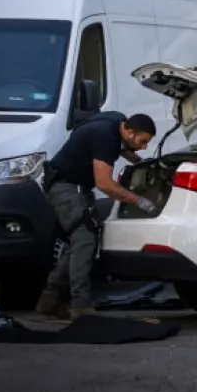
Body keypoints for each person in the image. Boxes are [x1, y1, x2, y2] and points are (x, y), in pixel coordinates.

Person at [34, 111, 160, 320]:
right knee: (85, 240)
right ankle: (80, 307)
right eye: (142, 141)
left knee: (79, 242)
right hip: (66, 187)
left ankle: (50, 297)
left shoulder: (116, 121)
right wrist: (139, 200)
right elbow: (105, 184)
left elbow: (121, 149)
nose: (144, 146)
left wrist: (140, 162)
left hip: (72, 185)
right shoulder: (105, 137)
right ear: (128, 131)